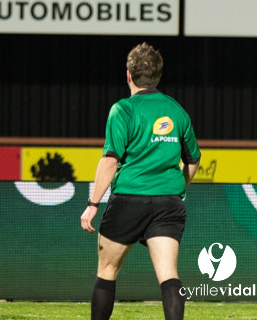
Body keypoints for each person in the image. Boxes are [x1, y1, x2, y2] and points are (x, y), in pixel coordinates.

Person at [79, 43, 200, 320]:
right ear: (158, 75)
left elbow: (110, 161)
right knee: (169, 275)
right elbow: (193, 160)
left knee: (107, 271)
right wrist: (177, 190)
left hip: (129, 200)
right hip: (168, 203)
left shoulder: (123, 110)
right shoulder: (177, 110)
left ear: (129, 75)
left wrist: (93, 204)